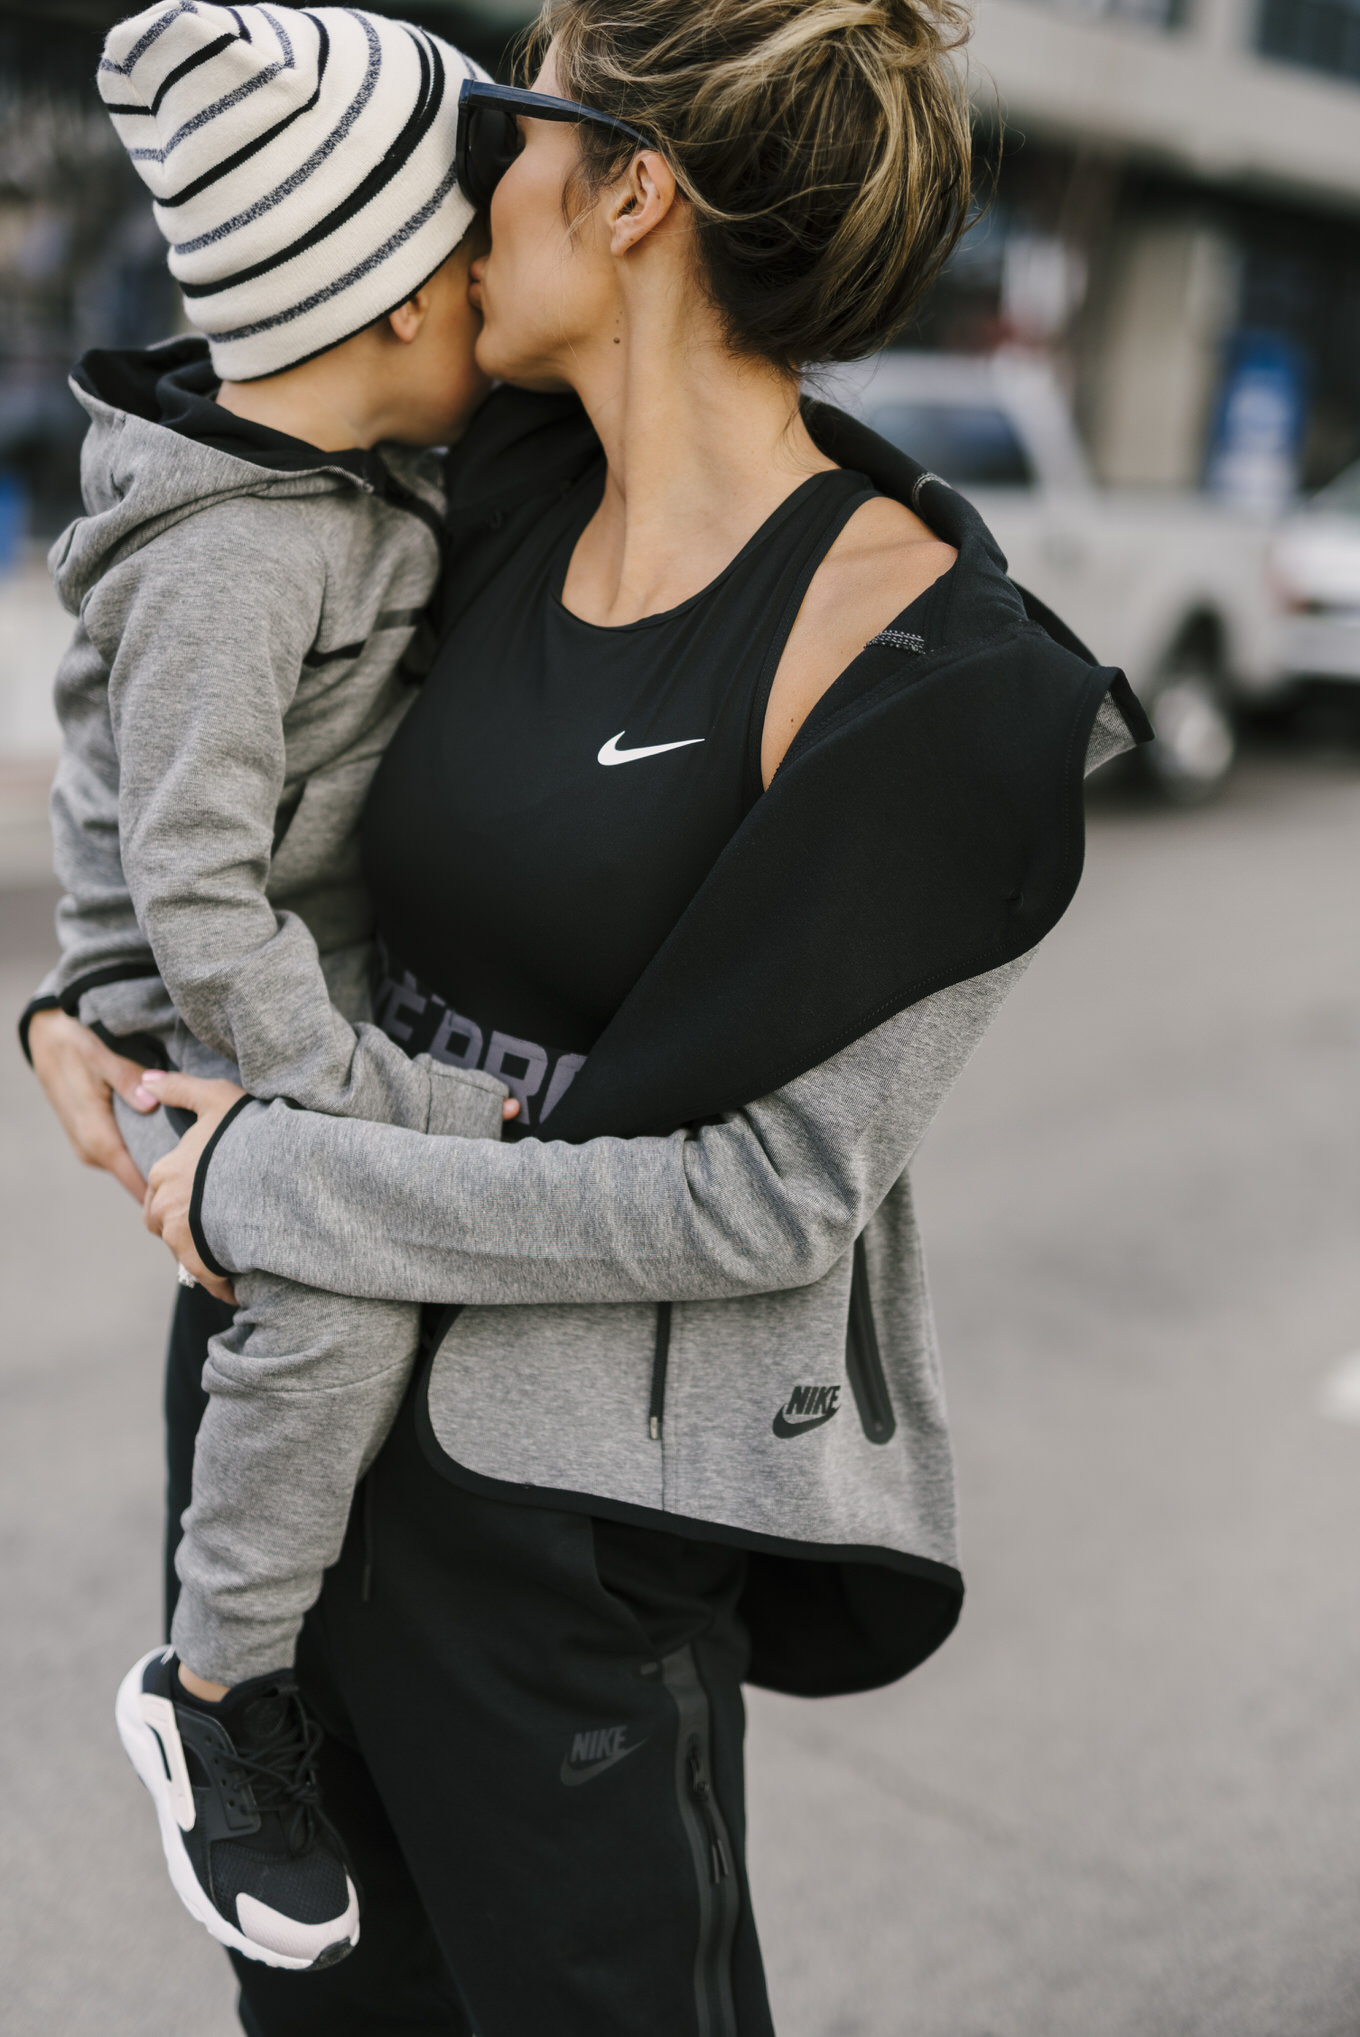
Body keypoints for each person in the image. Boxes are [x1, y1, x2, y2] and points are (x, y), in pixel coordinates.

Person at [29, 0, 1150, 2030]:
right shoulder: (472, 473)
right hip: (278, 1444)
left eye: (504, 127)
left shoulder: (945, 685)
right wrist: (77, 995)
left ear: (631, 191)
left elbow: (766, 1201)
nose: (462, 173)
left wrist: (299, 1176)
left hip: (562, 1540)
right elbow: (165, 655)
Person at [18, 1, 518, 1975]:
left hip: (272, 982)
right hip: (195, 1011)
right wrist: (356, 1104)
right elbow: (196, 893)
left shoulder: (342, 473)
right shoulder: (241, 552)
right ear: (398, 308)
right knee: (338, 1290)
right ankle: (219, 1691)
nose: (496, 288)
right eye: (474, 259)